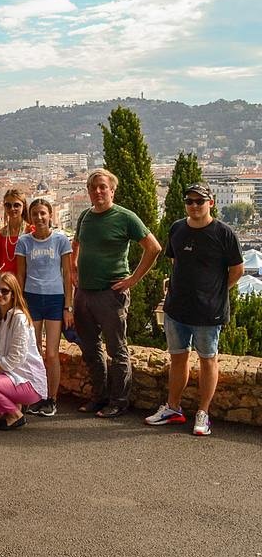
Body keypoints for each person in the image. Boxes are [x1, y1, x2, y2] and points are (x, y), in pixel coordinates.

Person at [145, 183, 244, 436]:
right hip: (177, 308)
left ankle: (203, 412)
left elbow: (237, 270)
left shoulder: (224, 233)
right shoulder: (177, 228)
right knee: (177, 357)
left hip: (208, 311)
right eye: (190, 201)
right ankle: (173, 408)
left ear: (211, 202)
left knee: (208, 360)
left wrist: (216, 292)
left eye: (200, 201)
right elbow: (175, 261)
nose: (194, 205)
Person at [72, 168, 161, 418]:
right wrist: (72, 269)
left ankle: (119, 401)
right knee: (90, 349)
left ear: (112, 190)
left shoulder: (125, 217)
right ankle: (99, 397)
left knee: (117, 349)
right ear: (89, 192)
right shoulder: (85, 217)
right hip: (84, 294)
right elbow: (76, 243)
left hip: (110, 294)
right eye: (94, 187)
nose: (98, 191)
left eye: (103, 186)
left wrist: (133, 278)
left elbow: (153, 248)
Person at [16, 198, 73, 417]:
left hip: (54, 298)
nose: (39, 218)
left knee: (51, 353)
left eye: (43, 213)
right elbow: (20, 274)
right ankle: (36, 396)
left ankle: (52, 398)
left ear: (50, 215)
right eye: (35, 214)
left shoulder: (60, 240)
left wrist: (68, 306)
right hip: (31, 297)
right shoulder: (24, 242)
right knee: (34, 352)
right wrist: (18, 303)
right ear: (29, 217)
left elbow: (67, 274)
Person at [0, 273, 48, 430]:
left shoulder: (19, 318)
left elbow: (16, 357)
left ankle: (15, 415)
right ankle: (11, 407)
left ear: (14, 294)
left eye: (5, 291)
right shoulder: (1, 317)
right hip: (11, 376)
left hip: (27, 380)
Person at [0, 188, 29, 283]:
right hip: (6, 285)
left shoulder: (31, 232)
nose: (12, 209)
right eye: (8, 205)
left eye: (16, 205)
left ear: (23, 207)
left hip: (27, 283)